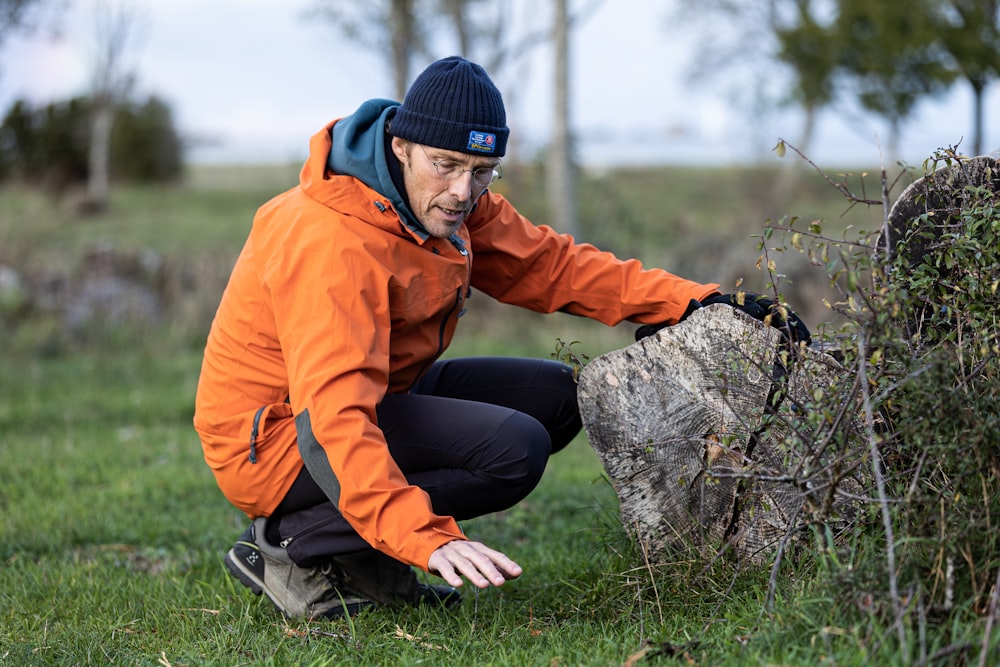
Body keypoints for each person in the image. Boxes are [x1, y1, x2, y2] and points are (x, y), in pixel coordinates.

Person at [193, 55, 810, 620]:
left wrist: (697, 301)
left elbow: (550, 265)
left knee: (559, 396)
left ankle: (358, 558)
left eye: (483, 171)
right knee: (513, 449)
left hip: (375, 391)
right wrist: (426, 537)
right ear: (402, 146)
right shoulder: (332, 241)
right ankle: (291, 546)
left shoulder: (438, 201)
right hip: (276, 437)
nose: (464, 191)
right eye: (448, 166)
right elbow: (333, 418)